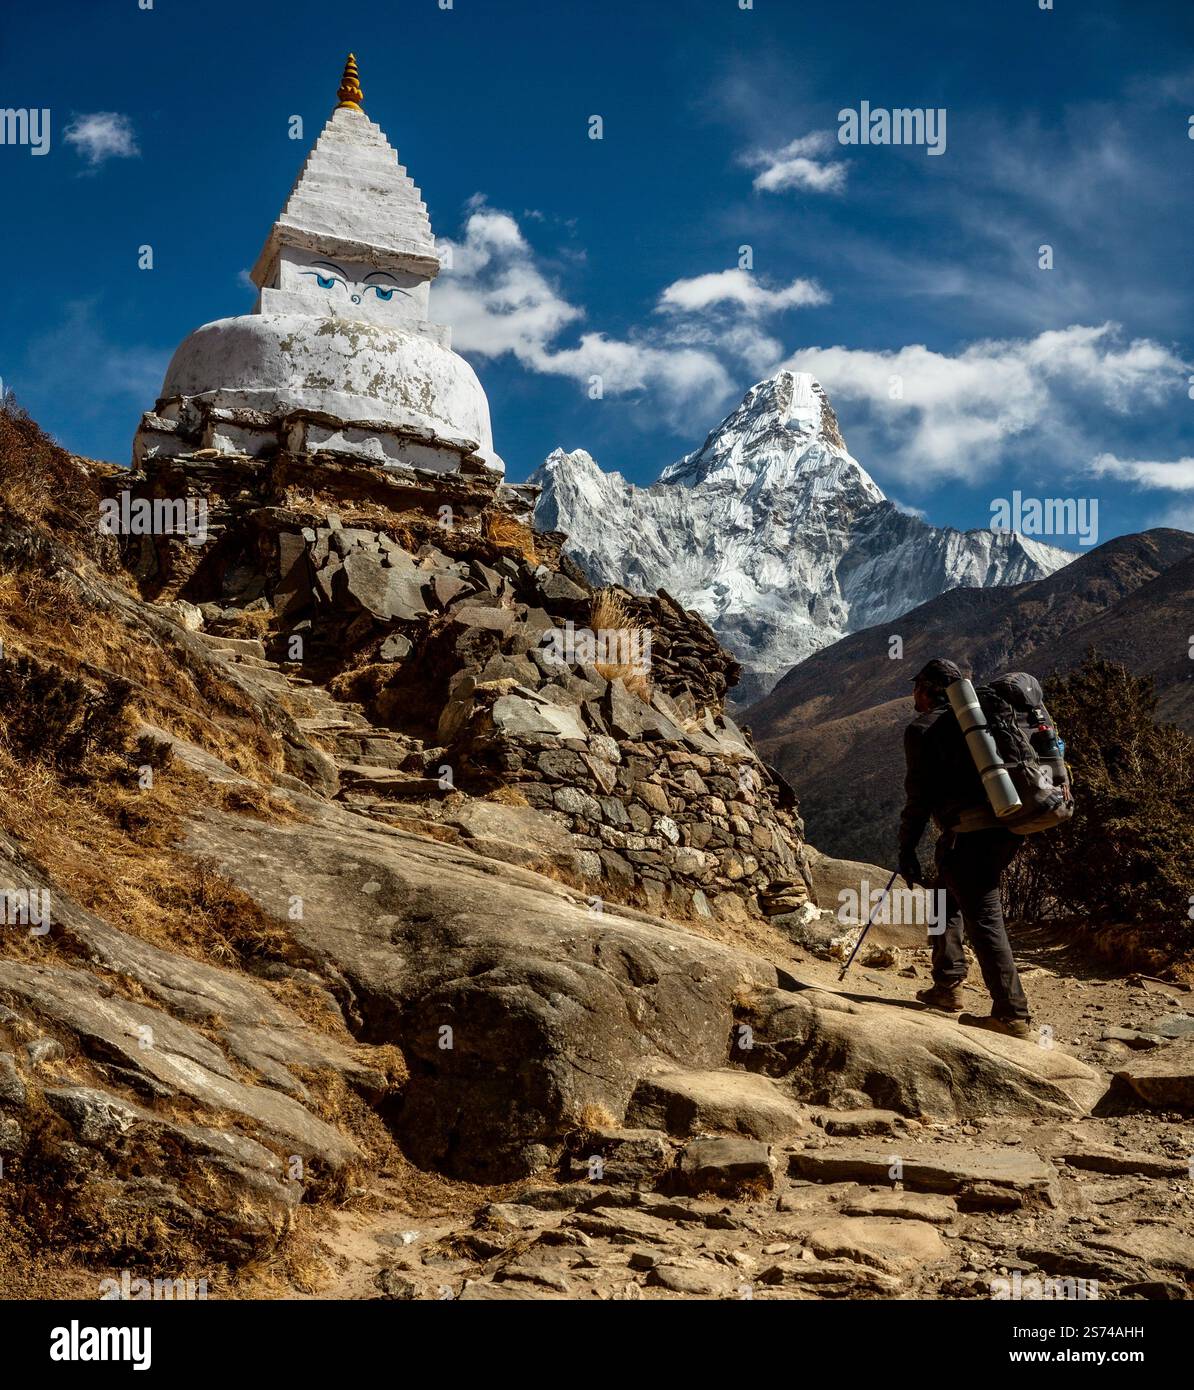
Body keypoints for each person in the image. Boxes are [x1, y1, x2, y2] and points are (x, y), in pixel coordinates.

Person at [897, 658, 1033, 1040]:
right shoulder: (985, 719)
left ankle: (1012, 1014)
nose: (913, 694)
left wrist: (906, 848)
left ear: (928, 689)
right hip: (1007, 827)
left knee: (984, 916)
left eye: (917, 686)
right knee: (944, 895)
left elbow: (918, 798)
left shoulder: (922, 729)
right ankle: (947, 985)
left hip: (972, 834)